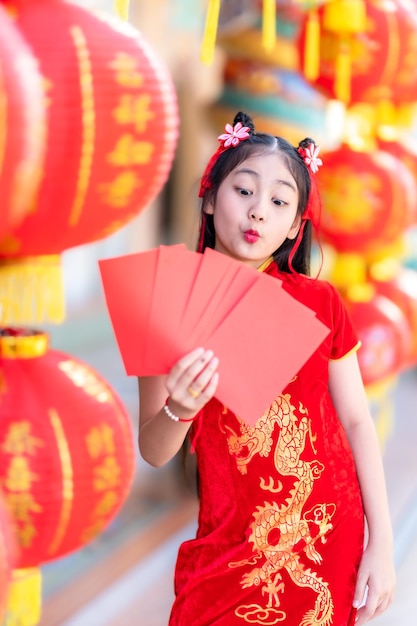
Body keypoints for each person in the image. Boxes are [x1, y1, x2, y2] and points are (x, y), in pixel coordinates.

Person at [138, 111, 395, 626]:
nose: (258, 213)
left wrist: (382, 546)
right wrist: (181, 410)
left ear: (294, 226)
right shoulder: (167, 304)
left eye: (279, 202)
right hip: (227, 541)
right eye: (244, 191)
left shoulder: (319, 302)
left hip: (325, 535)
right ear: (210, 197)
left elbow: (356, 421)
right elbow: (153, 451)